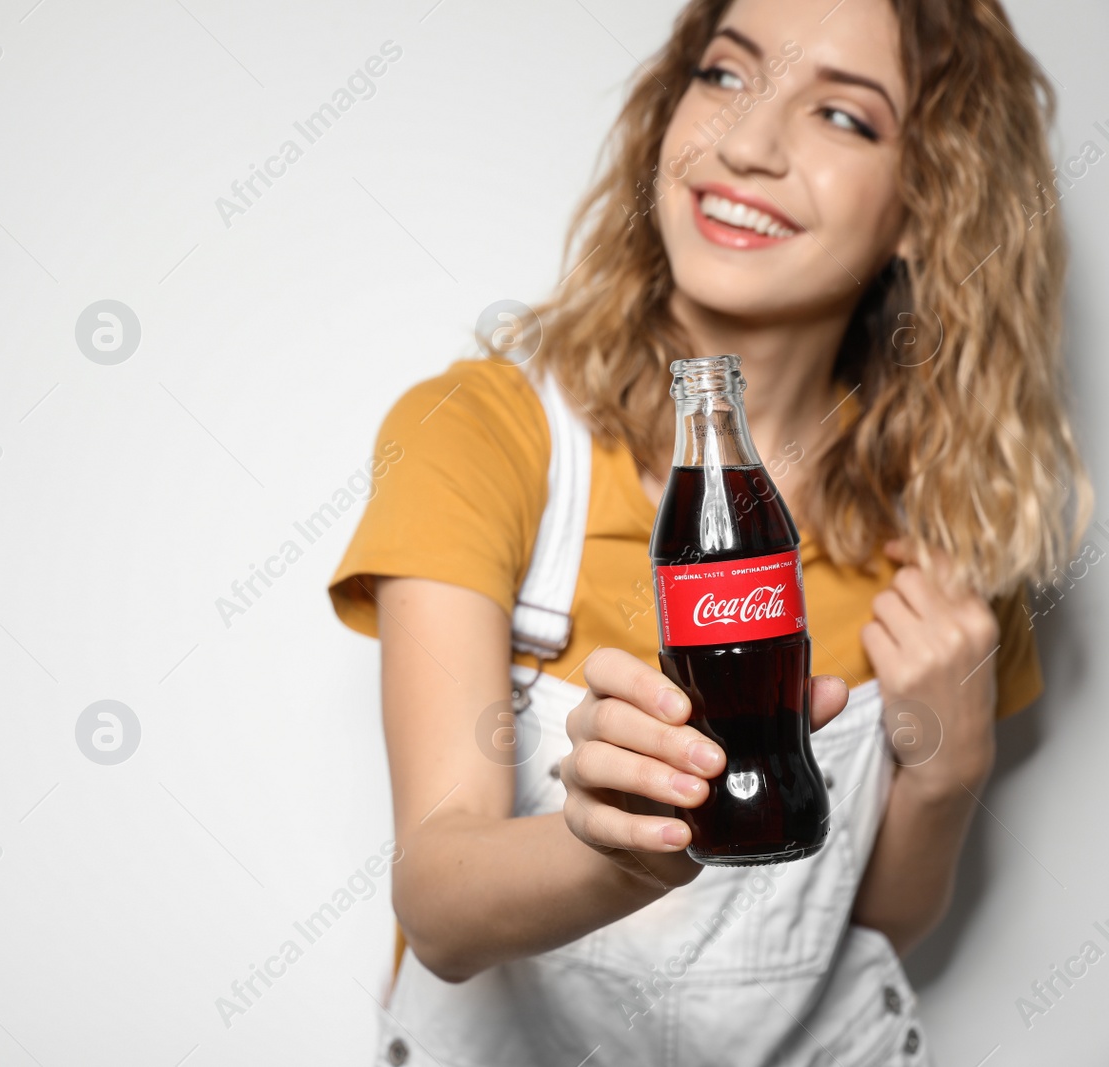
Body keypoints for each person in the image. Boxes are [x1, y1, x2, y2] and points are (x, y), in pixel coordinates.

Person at [326, 0, 1093, 1063]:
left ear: (927, 204)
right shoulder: (487, 436)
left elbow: (876, 928)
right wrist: (623, 848)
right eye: (726, 76)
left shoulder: (947, 519)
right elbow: (442, 908)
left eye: (842, 115)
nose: (745, 142)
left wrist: (949, 769)